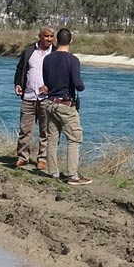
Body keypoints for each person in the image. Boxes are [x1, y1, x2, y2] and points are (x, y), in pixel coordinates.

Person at [43, 28, 92, 185]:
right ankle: (72, 175)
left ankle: (53, 172)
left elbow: (46, 80)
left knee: (52, 138)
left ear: (57, 40)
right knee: (74, 138)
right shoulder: (73, 60)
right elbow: (78, 85)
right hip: (65, 104)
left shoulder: (47, 59)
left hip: (50, 102)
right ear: (71, 41)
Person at [13, 26, 55, 169]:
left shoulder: (55, 53)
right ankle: (22, 157)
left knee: (45, 130)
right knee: (25, 129)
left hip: (46, 98)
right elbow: (20, 69)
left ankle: (42, 159)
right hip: (29, 96)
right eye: (46, 36)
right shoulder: (29, 51)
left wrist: (50, 86)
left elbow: (59, 76)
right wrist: (18, 84)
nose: (49, 39)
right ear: (40, 36)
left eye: (51, 36)